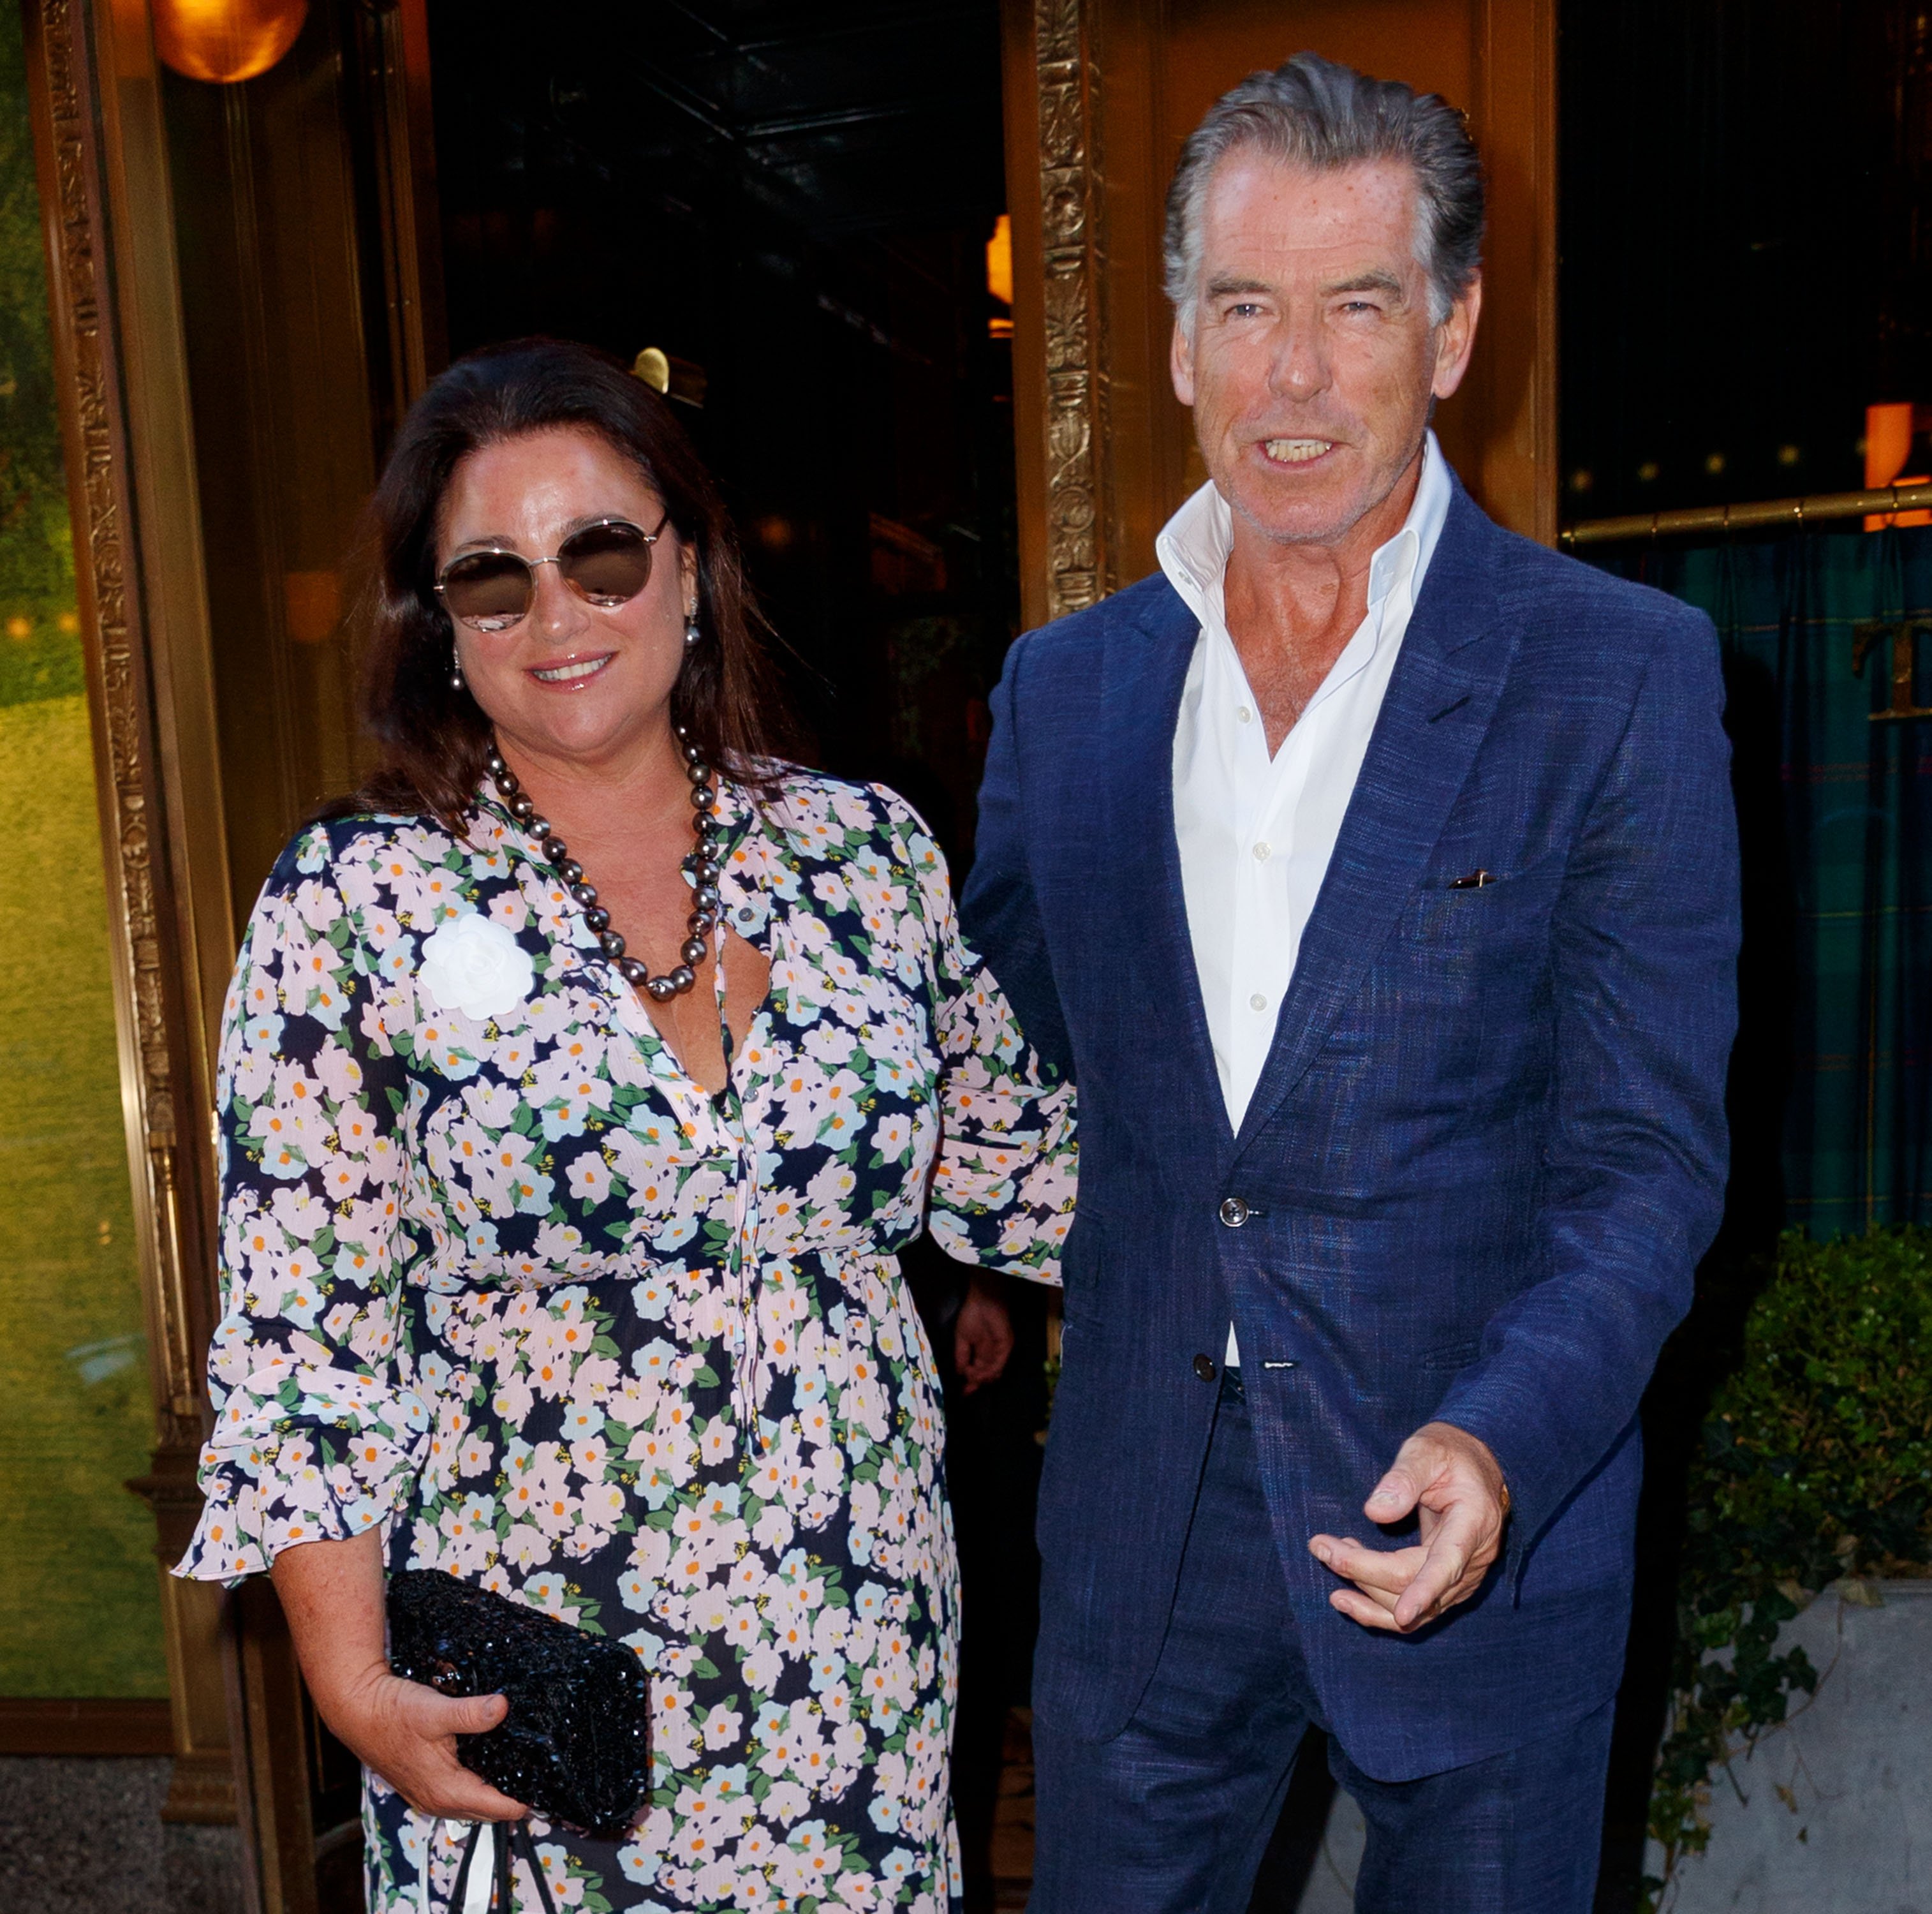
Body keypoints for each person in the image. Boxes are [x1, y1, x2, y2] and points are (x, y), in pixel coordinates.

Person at [961, 52, 1739, 1914]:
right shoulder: (1058, 697)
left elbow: (1642, 1162)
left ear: (1452, 331)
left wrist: (1500, 1435)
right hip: (1144, 1524)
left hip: (1464, 1507)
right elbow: (1001, 1073)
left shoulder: (1613, 678)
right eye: (1242, 309)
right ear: (1174, 342)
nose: (1290, 378)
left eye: (1352, 309)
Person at [175, 338, 1076, 1914]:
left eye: (599, 556)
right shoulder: (355, 904)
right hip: (543, 1702)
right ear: (442, 629)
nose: (559, 617)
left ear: (691, 567)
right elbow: (302, 1339)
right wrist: (351, 1684)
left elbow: (1026, 1169)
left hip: (854, 1662)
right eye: (493, 580)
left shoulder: (861, 856)